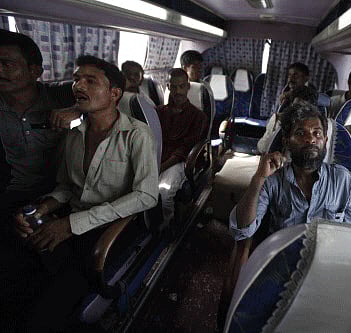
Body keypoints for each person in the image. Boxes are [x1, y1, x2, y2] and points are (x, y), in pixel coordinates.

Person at [3, 55, 159, 331]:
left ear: (114, 94)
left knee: (48, 306)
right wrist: (43, 209)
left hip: (112, 228)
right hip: (71, 219)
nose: (78, 85)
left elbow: (146, 196)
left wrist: (71, 225)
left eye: (90, 80)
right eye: (76, 79)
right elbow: (66, 187)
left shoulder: (137, 135)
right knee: (18, 269)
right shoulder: (74, 135)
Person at [230, 101, 351, 241]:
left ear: (325, 140)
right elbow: (241, 231)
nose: (310, 139)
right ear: (287, 141)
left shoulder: (346, 182)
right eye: (300, 133)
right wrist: (258, 178)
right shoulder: (273, 179)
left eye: (317, 133)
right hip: (283, 257)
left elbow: (350, 237)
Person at [0, 29, 79, 232]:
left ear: (35, 71)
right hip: (14, 193)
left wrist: (77, 110)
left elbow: (112, 87)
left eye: (7, 64)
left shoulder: (61, 95)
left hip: (59, 192)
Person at [156, 68, 208, 226]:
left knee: (163, 193)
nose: (178, 91)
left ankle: (165, 225)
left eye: (182, 86)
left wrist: (161, 167)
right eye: (174, 87)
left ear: (188, 87)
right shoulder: (158, 112)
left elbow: (186, 149)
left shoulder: (198, 116)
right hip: (156, 157)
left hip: (179, 162)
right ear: (168, 87)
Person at [257, 85, 318, 154]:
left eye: (303, 108)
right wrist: (276, 124)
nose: (298, 111)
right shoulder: (280, 119)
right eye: (296, 106)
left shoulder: (314, 127)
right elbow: (263, 147)